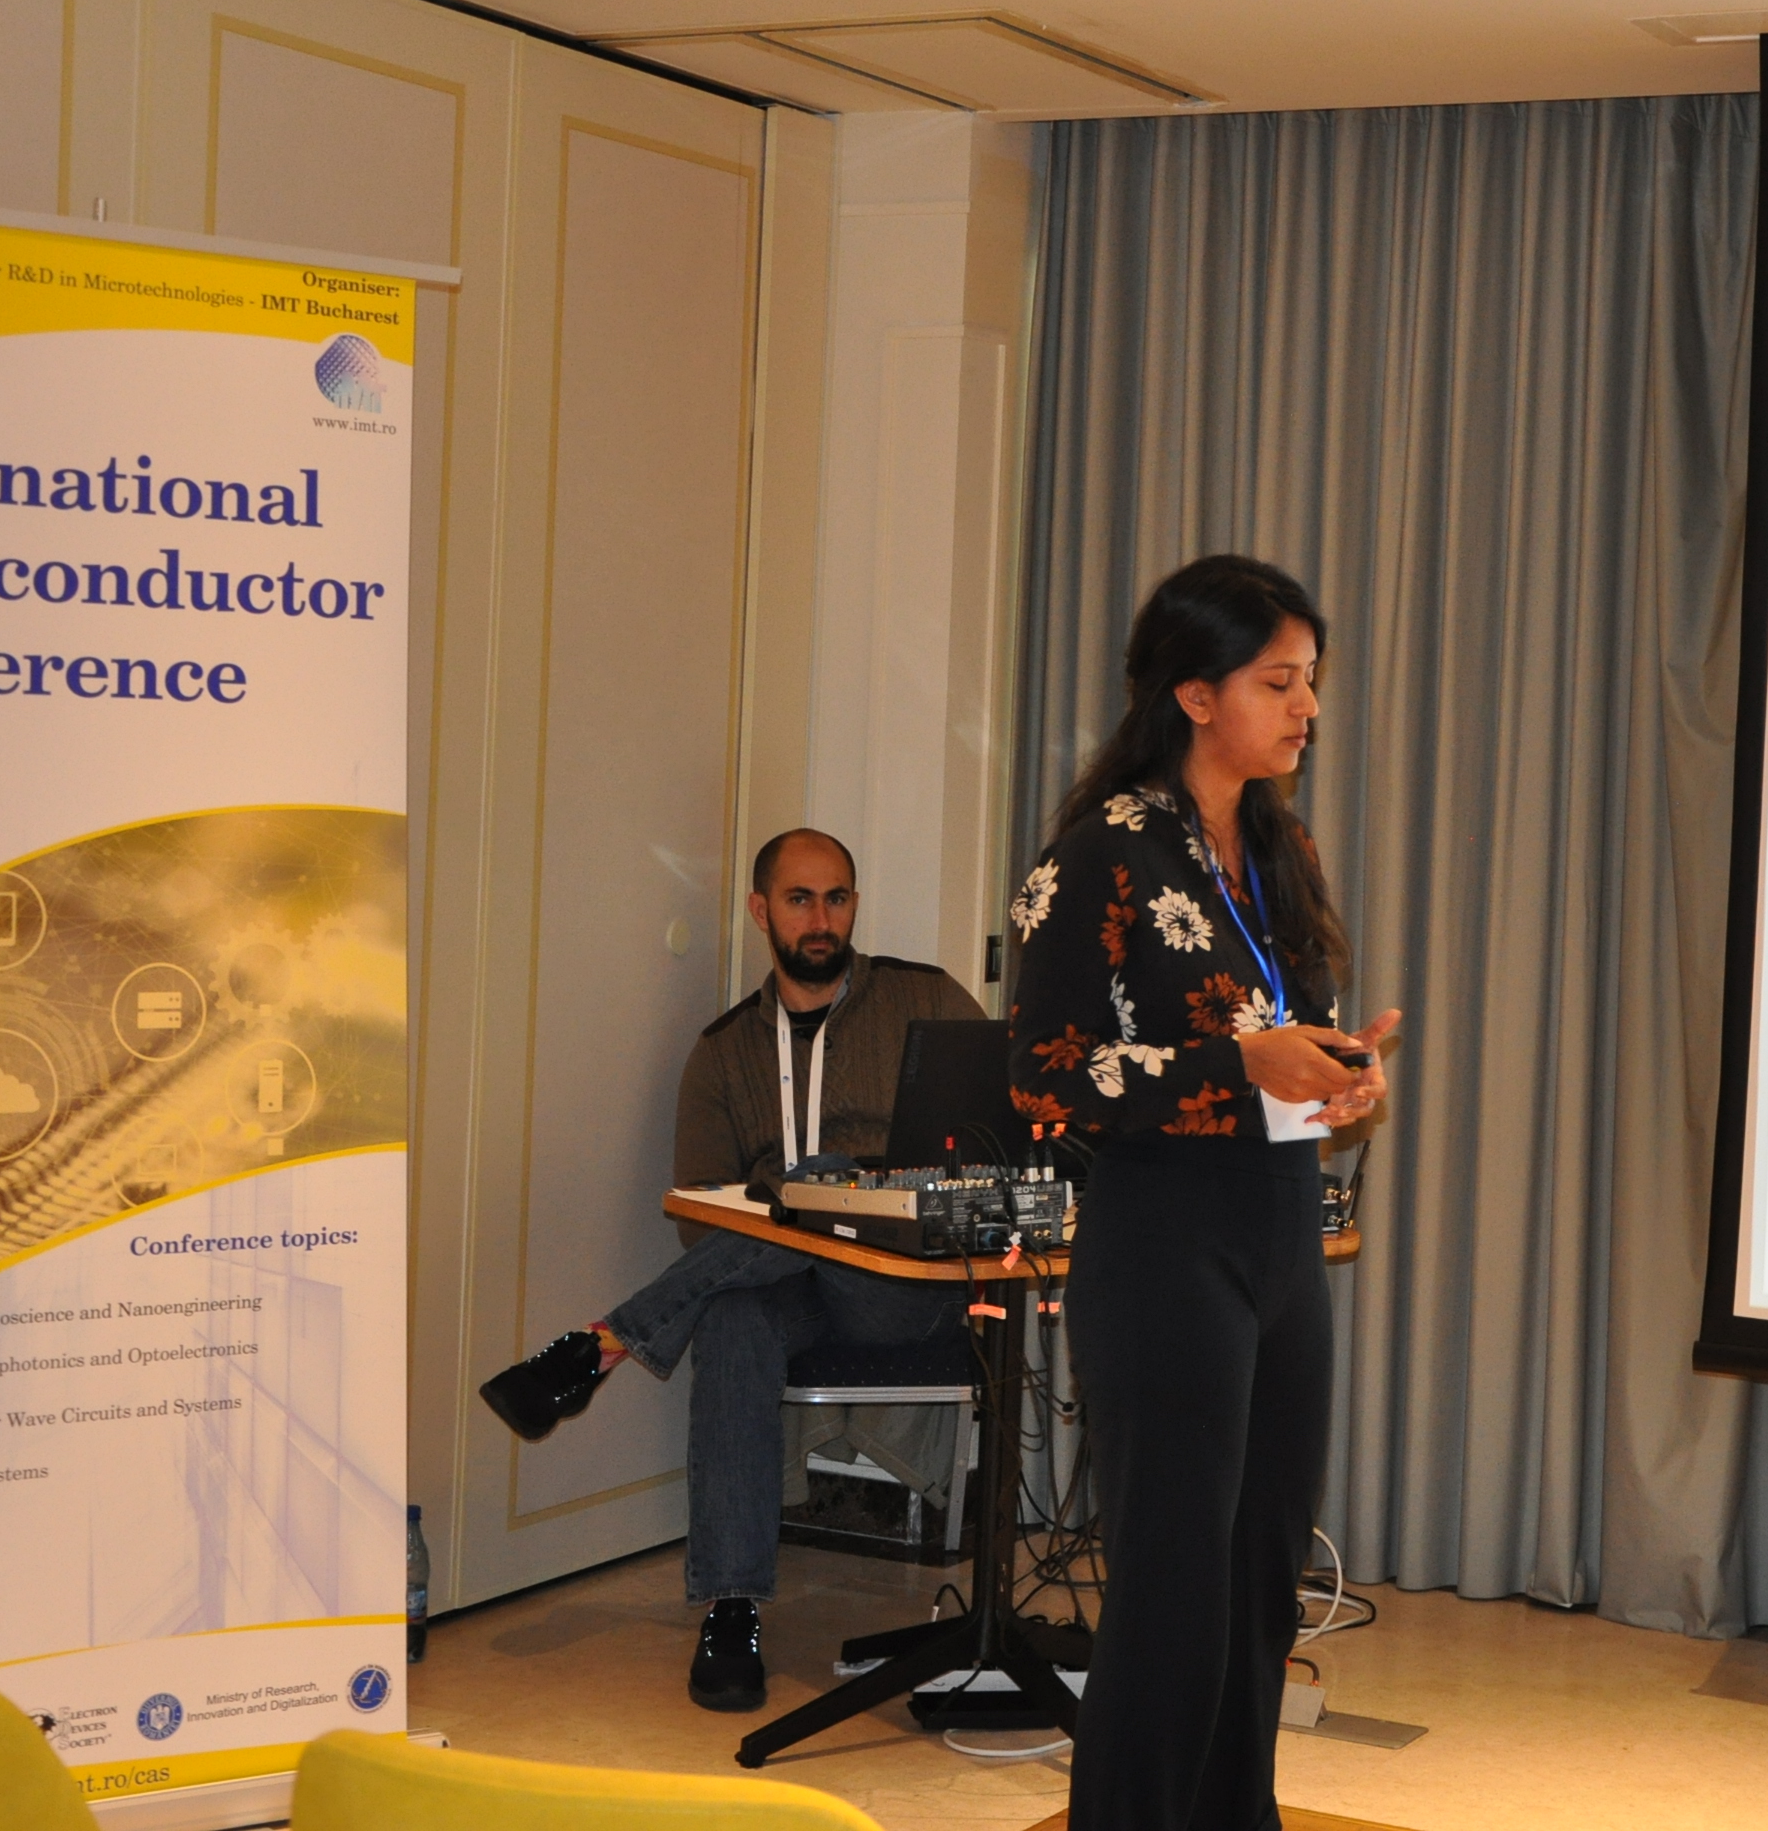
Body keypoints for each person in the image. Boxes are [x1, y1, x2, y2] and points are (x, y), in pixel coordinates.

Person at [1006, 556, 1399, 1830]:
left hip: (1281, 1229)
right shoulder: (1100, 855)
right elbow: (1044, 1074)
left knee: (1261, 1581)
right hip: (1165, 1239)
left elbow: (1287, 1033)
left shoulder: (1281, 845)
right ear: (1193, 693)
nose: (1307, 708)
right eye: (1278, 682)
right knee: (1172, 1590)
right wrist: (1240, 1065)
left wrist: (1340, 1076)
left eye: (1310, 681)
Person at [474, 827, 987, 1712]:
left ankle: (597, 1348)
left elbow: (993, 1136)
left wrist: (836, 1195)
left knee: (826, 1177)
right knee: (733, 1317)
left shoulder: (927, 1000)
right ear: (760, 910)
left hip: (901, 1284)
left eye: (837, 898)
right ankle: (732, 1610)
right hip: (789, 1292)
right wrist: (794, 1210)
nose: (822, 919)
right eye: (800, 899)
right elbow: (700, 1223)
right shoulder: (722, 1052)